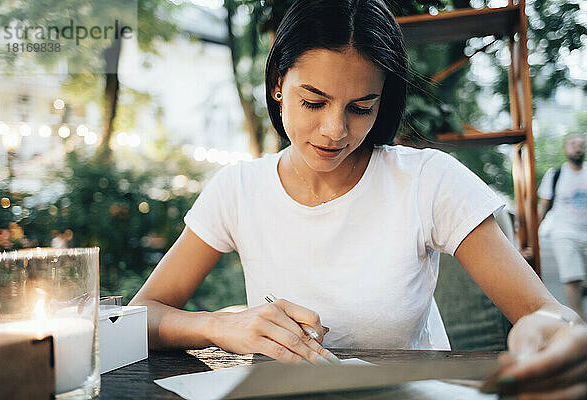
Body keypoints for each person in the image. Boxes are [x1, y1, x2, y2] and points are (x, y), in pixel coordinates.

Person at [131, 0, 587, 397]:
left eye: (361, 107)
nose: (335, 131)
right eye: (313, 102)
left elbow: (547, 312)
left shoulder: (428, 180)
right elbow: (140, 316)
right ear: (277, 85)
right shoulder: (238, 189)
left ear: (382, 100)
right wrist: (219, 325)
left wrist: (554, 334)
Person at [538, 134, 587, 318]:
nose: (578, 147)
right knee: (572, 277)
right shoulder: (556, 174)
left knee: (580, 279)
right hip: (564, 233)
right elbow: (544, 204)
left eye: (581, 145)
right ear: (565, 149)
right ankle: (579, 324)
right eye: (573, 144)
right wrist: (535, 230)